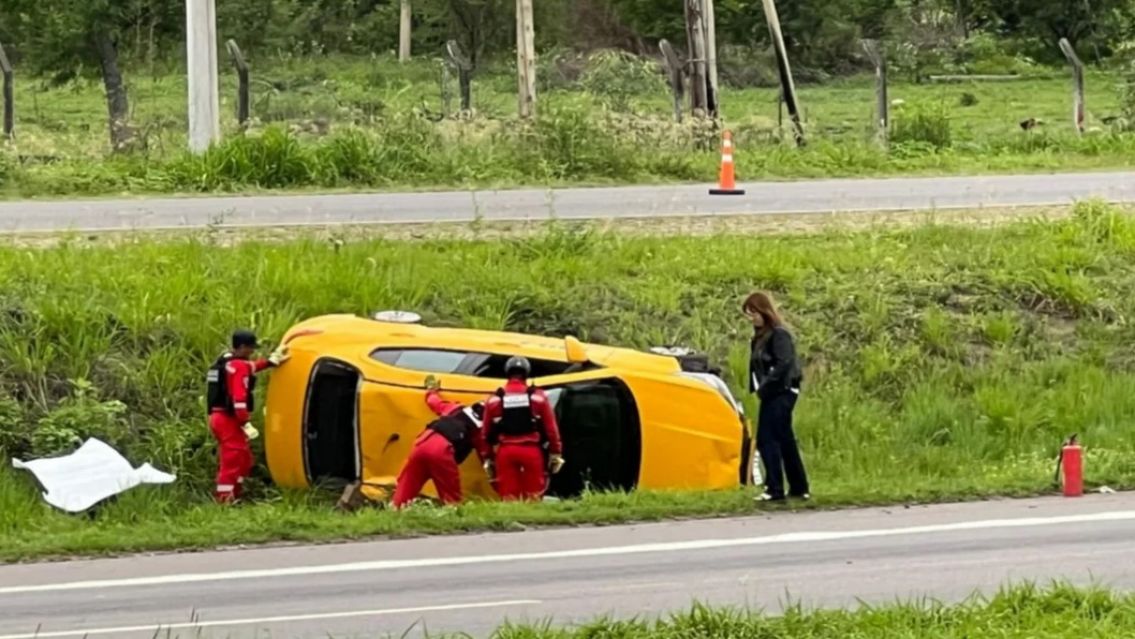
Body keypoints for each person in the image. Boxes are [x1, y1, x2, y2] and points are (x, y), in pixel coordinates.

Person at [205, 329, 290, 504]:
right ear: (242, 347)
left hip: (218, 417)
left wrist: (270, 362)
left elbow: (252, 367)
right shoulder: (239, 366)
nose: (253, 352)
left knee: (243, 459)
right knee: (233, 459)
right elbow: (239, 398)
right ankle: (224, 500)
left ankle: (235, 495)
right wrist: (244, 422)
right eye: (251, 348)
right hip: (229, 419)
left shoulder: (227, 361)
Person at [744, 291, 810, 503]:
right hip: (771, 392)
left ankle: (774, 488)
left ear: (764, 311)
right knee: (785, 439)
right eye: (749, 314)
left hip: (782, 391)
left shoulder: (779, 334)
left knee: (767, 439)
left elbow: (784, 363)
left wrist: (765, 386)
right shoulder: (759, 337)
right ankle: (799, 487)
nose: (752, 318)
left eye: (754, 313)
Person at [391, 376, 489, 509]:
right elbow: (485, 456)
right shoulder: (479, 431)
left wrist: (431, 390)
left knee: (404, 491)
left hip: (422, 443)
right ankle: (453, 519)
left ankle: (393, 514)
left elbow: (433, 401)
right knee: (451, 499)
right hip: (443, 452)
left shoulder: (454, 408)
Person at [481, 356, 565, 501]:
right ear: (526, 373)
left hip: (505, 452)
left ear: (507, 372)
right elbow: (551, 429)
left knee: (508, 496)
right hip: (531, 451)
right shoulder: (538, 397)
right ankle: (533, 520)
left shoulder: (494, 399)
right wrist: (555, 452)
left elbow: (485, 434)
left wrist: (487, 457)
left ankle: (510, 521)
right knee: (534, 495)